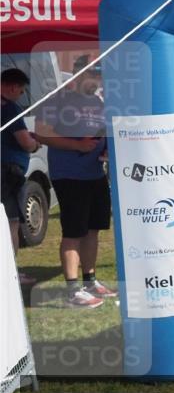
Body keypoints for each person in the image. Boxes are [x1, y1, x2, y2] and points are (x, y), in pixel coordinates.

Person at [35, 57, 114, 308]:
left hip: (95, 173)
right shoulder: (57, 99)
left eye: (100, 76)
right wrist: (76, 145)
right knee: (73, 232)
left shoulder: (98, 101)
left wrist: (107, 149)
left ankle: (90, 280)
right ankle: (73, 290)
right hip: (69, 175)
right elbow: (41, 132)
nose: (98, 81)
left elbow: (104, 131)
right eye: (94, 75)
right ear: (79, 75)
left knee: (93, 229)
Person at [1, 68, 41, 287]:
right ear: (12, 87)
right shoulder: (10, 108)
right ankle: (10, 272)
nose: (21, 95)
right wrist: (35, 145)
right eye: (22, 91)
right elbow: (25, 142)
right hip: (7, 174)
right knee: (11, 222)